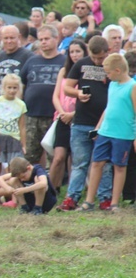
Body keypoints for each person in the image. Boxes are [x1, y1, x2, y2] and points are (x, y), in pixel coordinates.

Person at [58, 36, 111, 211]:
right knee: (80, 163)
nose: (97, 61)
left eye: (101, 58)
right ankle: (72, 198)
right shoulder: (80, 64)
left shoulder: (112, 65)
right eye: (94, 58)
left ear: (107, 52)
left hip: (105, 123)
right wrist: (78, 94)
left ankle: (105, 198)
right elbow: (67, 87)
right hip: (81, 120)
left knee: (104, 163)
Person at [76, 54, 135, 213]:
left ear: (117, 70)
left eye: (108, 73)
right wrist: (98, 127)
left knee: (119, 166)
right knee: (96, 163)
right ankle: (89, 201)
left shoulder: (132, 86)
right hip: (105, 132)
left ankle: (114, 203)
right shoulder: (112, 85)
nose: (107, 76)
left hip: (123, 134)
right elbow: (109, 108)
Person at [20, 25, 65, 164]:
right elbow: (22, 84)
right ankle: (28, 183)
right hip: (31, 115)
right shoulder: (32, 60)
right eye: (41, 39)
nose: (43, 42)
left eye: (46, 39)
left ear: (56, 38)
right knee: (29, 156)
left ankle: (53, 185)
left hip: (54, 115)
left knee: (54, 157)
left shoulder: (65, 61)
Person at [49, 39, 86, 189]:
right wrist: (63, 113)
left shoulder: (86, 72)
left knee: (75, 159)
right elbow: (56, 95)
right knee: (58, 157)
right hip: (62, 118)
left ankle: (72, 192)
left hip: (79, 118)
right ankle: (49, 190)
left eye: (78, 51)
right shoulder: (64, 71)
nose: (75, 55)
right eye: (72, 52)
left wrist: (73, 114)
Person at [0, 74, 27, 206]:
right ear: (4, 88)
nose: (12, 90)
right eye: (9, 87)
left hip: (13, 140)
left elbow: (22, 126)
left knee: (13, 170)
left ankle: (14, 199)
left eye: (15, 88)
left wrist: (23, 144)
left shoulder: (21, 105)